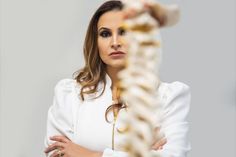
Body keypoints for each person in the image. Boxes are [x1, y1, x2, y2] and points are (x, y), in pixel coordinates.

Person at [44, 0, 191, 157]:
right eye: (105, 34)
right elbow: (56, 153)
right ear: (95, 41)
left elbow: (175, 155)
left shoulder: (169, 97)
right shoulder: (69, 94)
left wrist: (90, 154)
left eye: (124, 32)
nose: (115, 43)